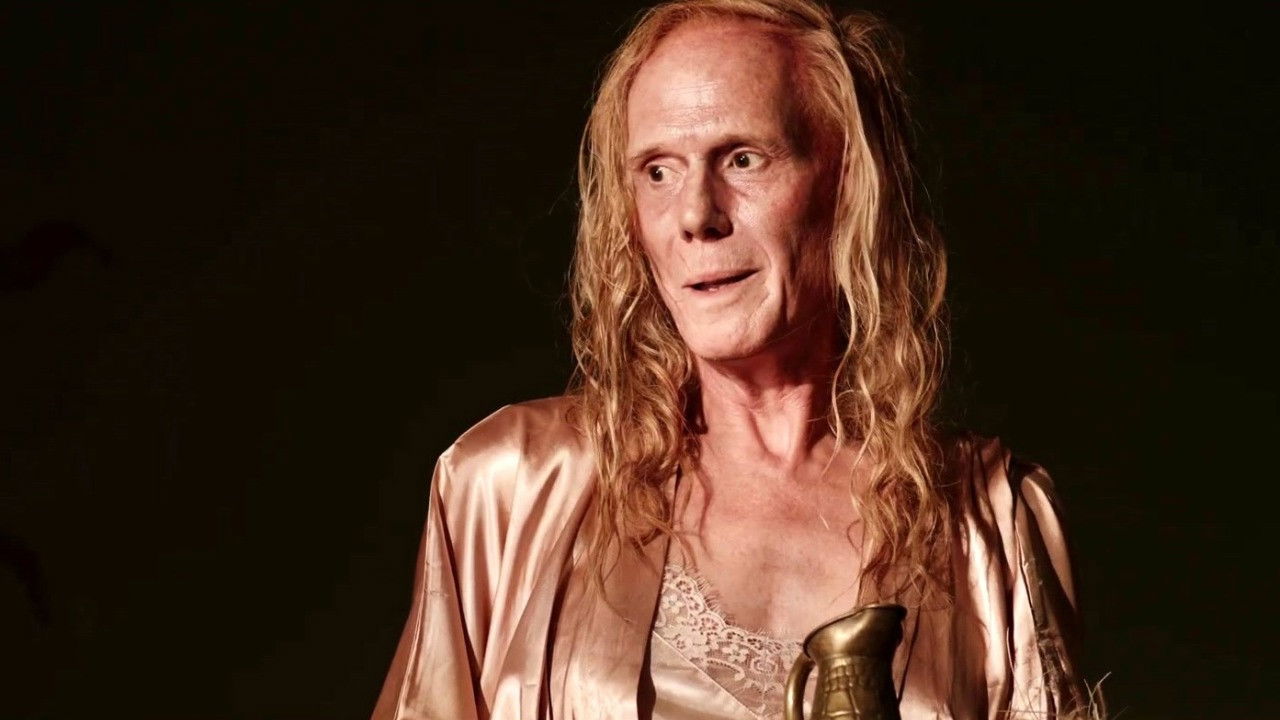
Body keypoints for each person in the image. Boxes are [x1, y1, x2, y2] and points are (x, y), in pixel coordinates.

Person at [372, 0, 1099, 718]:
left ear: (850, 184)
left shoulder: (991, 524)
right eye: (658, 171)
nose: (695, 215)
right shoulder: (513, 486)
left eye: (743, 159)